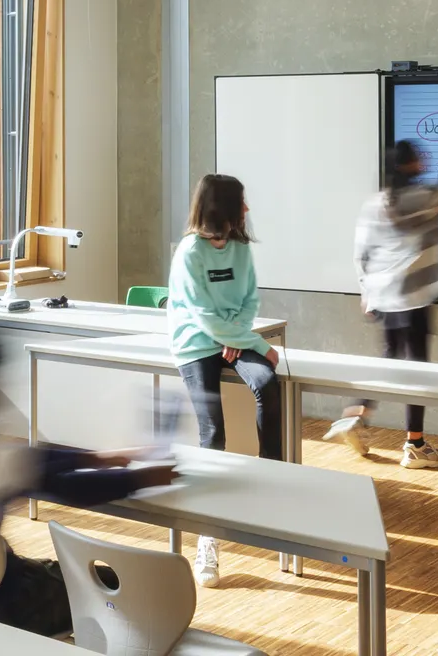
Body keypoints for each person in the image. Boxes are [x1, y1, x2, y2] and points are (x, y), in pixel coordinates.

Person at [0, 325, 177, 635]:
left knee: (49, 569)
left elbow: (26, 460)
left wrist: (97, 457)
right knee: (113, 585)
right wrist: (143, 477)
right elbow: (70, 487)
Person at [329, 105, 438, 469]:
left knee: (391, 356)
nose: (425, 160)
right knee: (416, 368)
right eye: (419, 157)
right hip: (413, 297)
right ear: (409, 165)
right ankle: (415, 445)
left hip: (383, 296)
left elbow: (360, 254)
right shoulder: (426, 196)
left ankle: (354, 415)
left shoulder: (374, 204)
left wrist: (366, 293)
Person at [167, 171, 282, 587]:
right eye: (241, 203)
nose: (247, 210)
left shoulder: (239, 248)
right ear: (223, 208)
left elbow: (250, 298)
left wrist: (236, 338)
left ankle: (273, 479)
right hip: (196, 343)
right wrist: (236, 339)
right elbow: (201, 315)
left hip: (231, 335)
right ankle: (207, 541)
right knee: (213, 434)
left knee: (268, 383)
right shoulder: (190, 253)